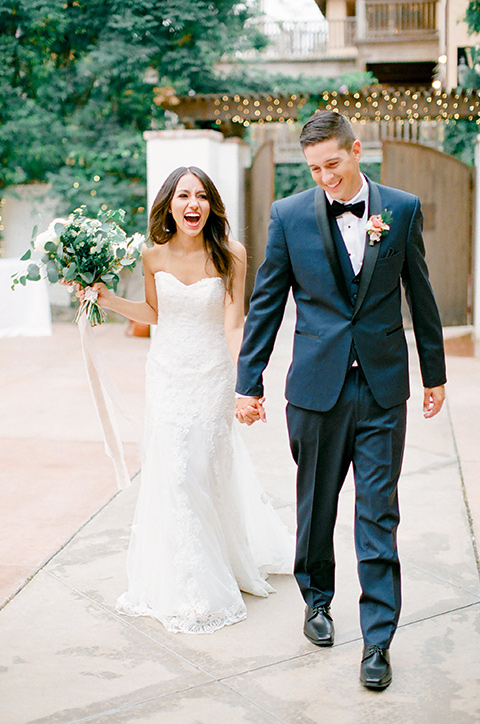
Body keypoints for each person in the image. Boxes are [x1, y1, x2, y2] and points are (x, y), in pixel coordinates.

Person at [235, 111, 446, 689]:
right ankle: (317, 600)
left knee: (378, 511)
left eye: (333, 163)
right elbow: (267, 302)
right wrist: (248, 380)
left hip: (382, 388)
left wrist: (434, 373)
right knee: (316, 506)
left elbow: (420, 293)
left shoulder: (399, 209)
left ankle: (378, 639)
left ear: (356, 151)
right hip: (315, 389)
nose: (325, 177)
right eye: (314, 168)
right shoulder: (288, 215)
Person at [89, 166, 293, 634]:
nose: (192, 205)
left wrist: (248, 382)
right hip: (165, 376)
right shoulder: (151, 256)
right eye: (183, 196)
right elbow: (154, 314)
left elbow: (234, 324)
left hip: (211, 377)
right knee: (173, 476)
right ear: (170, 203)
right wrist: (106, 299)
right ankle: (184, 582)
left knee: (200, 471)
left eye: (201, 196)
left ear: (211, 205)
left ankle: (214, 569)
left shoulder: (231, 255)